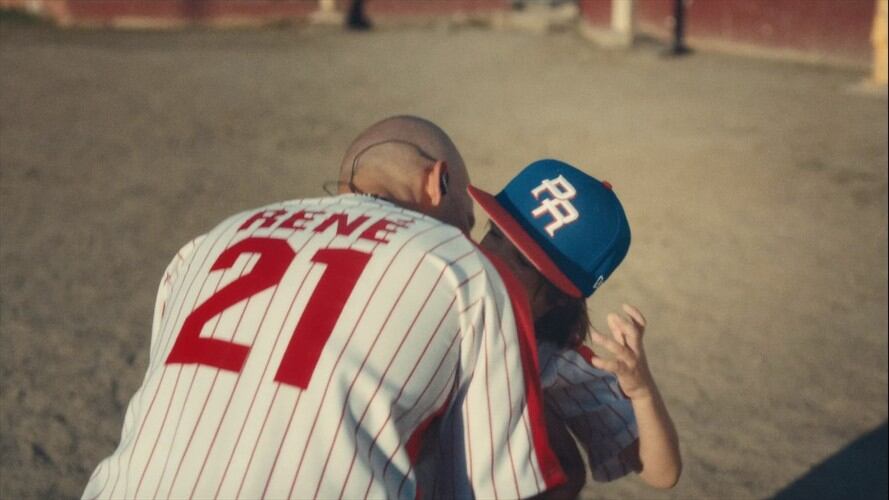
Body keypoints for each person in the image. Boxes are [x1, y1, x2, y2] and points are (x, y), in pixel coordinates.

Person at [81, 116, 567, 499]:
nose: (467, 233)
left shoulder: (210, 240)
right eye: (467, 218)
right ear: (438, 181)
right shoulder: (465, 267)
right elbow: (499, 490)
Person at [468, 158, 682, 497]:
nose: (496, 257)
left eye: (523, 262)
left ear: (557, 300)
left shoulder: (552, 362)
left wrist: (642, 392)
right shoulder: (438, 281)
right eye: (495, 234)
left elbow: (662, 473)